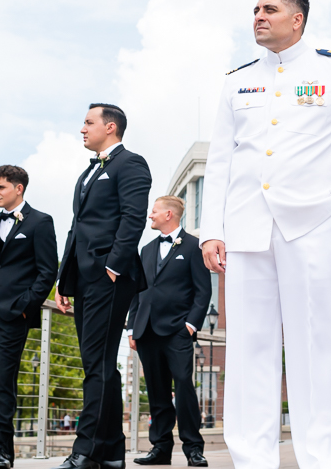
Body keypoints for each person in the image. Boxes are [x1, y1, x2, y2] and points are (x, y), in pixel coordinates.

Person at [200, 0, 331, 469]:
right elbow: (220, 159)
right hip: (245, 230)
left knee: (312, 348)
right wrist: (211, 230)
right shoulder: (236, 80)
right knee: (248, 349)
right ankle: (252, 460)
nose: (258, 17)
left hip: (310, 225)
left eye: (269, 9)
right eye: (256, 9)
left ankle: (319, 460)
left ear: (296, 19)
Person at [54, 104, 152, 469]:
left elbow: (133, 216)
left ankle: (87, 450)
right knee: (100, 364)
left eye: (88, 122)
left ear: (110, 127)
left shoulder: (131, 163)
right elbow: (76, 228)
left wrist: (113, 265)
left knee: (96, 364)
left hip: (110, 277)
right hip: (84, 277)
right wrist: (65, 278)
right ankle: (111, 451)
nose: (82, 129)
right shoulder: (88, 173)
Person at [0, 166, 58, 469]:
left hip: (15, 313)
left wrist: (26, 305)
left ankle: (3, 452)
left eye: (0, 187)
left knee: (4, 380)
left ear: (18, 188)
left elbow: (47, 271)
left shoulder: (41, 222)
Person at [127, 196, 211, 467]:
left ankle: (193, 448)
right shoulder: (147, 249)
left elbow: (203, 291)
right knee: (156, 390)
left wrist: (190, 325)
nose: (150, 216)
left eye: (154, 211)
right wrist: (131, 327)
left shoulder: (194, 246)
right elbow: (137, 291)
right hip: (147, 330)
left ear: (168, 214)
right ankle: (160, 448)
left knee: (184, 386)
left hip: (178, 331)